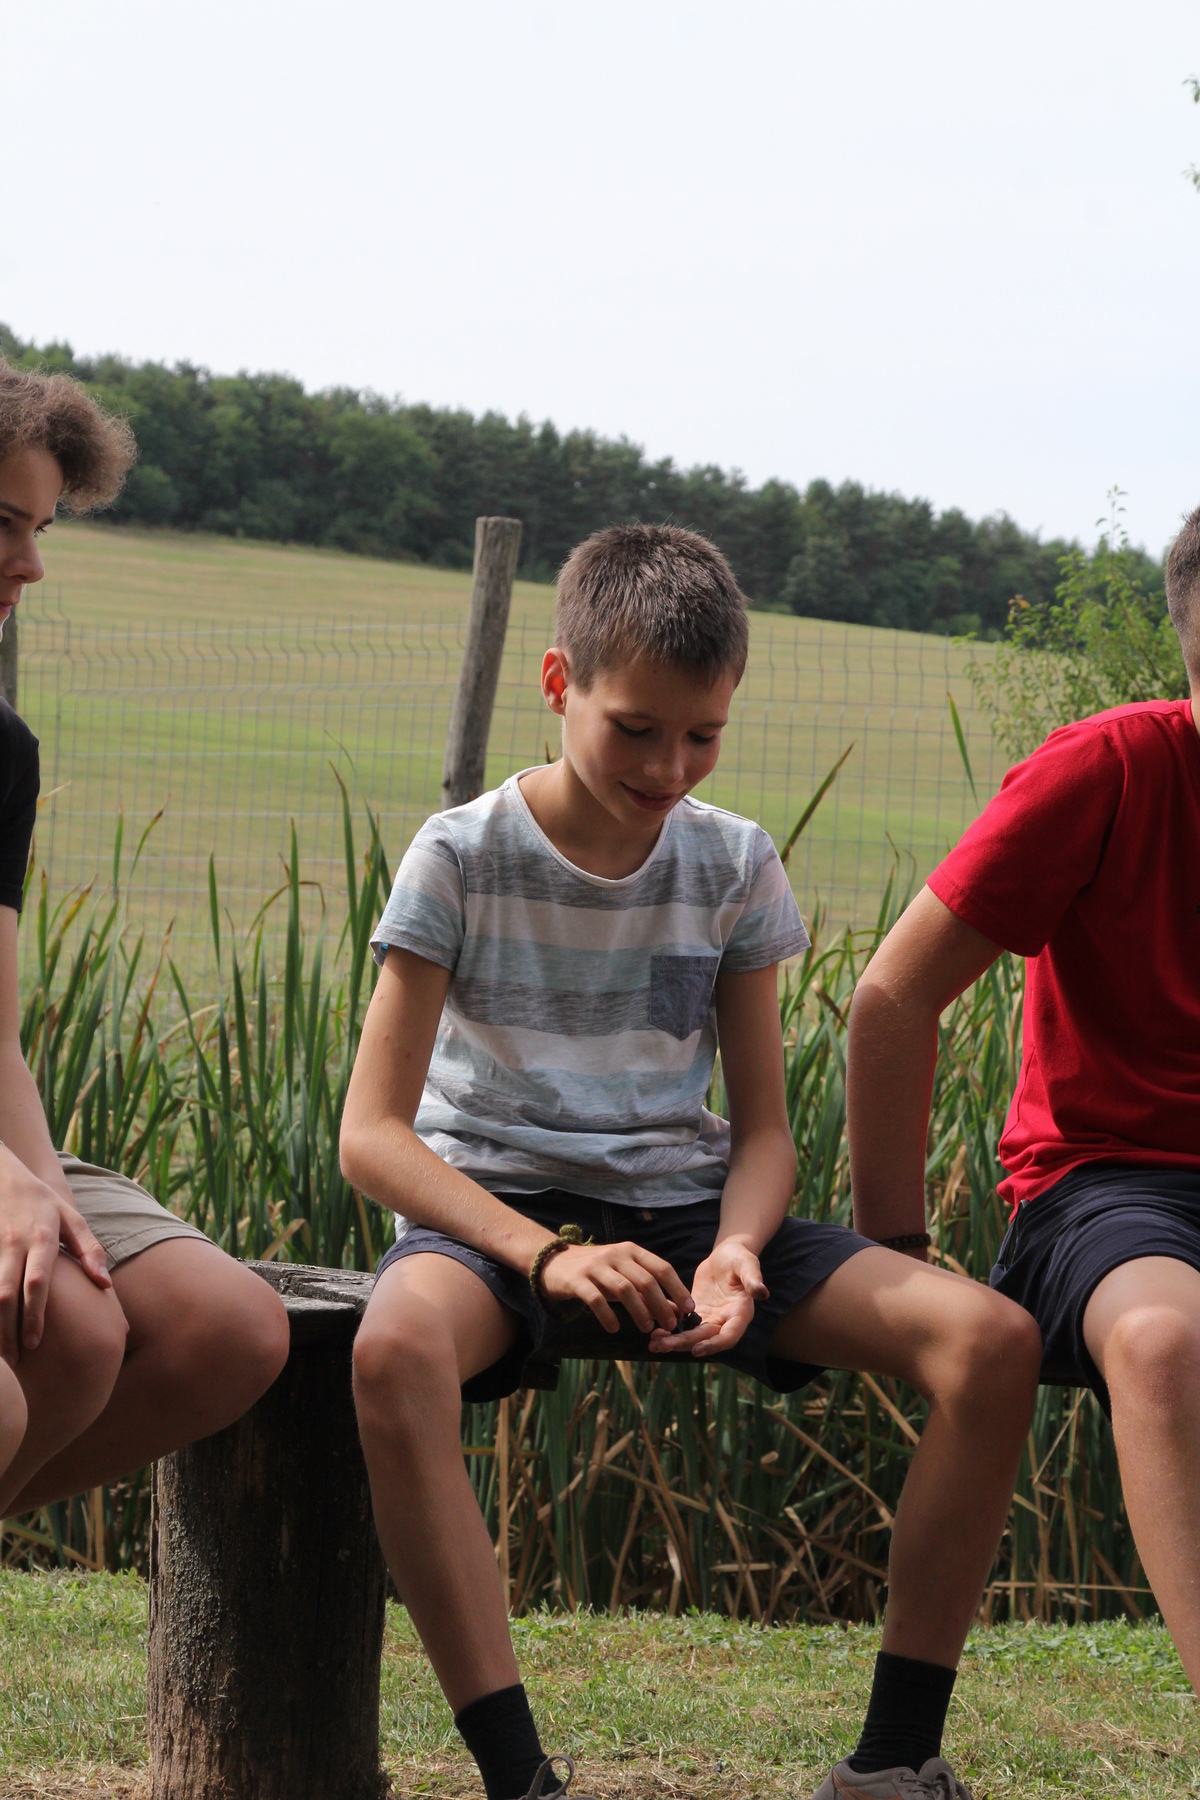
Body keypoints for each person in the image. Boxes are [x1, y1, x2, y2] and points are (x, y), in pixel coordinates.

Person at [341, 523, 1042, 1800]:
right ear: (558, 683)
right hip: (494, 1213)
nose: (671, 768)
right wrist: (547, 1256)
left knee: (991, 1342)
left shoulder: (734, 861)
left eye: (704, 736)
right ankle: (520, 1781)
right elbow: (373, 1137)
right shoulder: (460, 854)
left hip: (684, 1213)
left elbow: (763, 1131)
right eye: (637, 730)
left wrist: (734, 1247)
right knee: (391, 1352)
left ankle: (891, 1766)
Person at [846, 503, 1200, 1699]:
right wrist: (894, 1254)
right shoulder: (1112, 769)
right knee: (1163, 1345)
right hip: (1107, 1189)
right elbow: (893, 996)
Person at [0, 358, 289, 1530]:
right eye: (3, 524)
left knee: (228, 1328)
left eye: (42, 529)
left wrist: (38, 1193)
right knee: (56, 1349)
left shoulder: (1, 754)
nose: (31, 566)